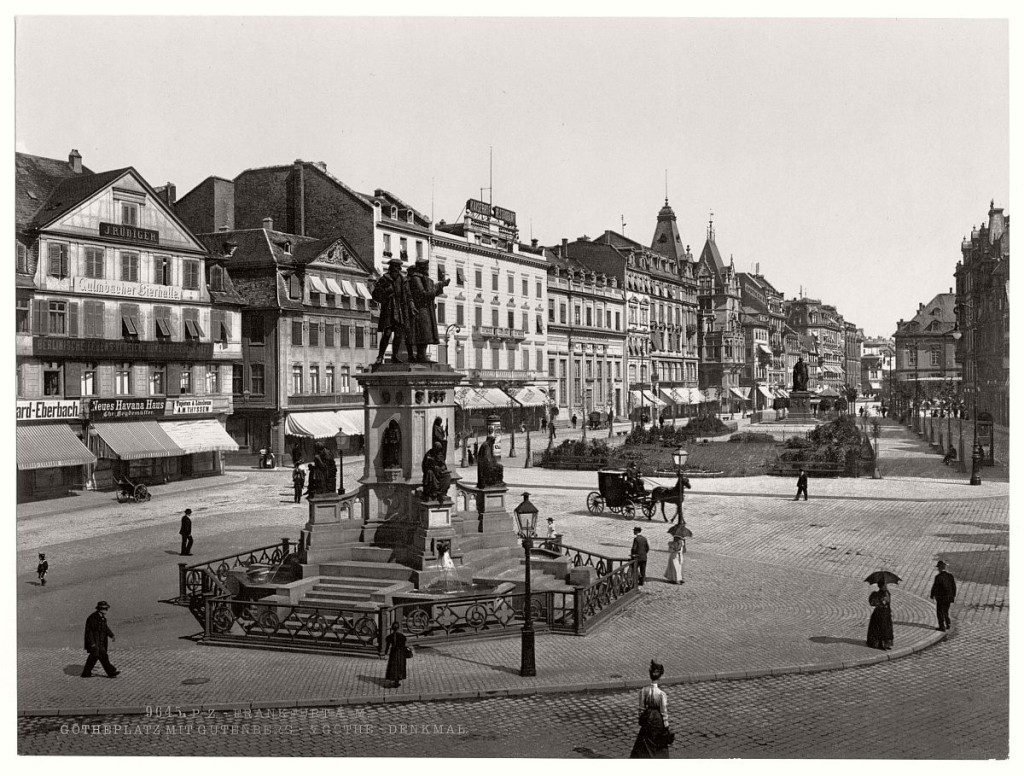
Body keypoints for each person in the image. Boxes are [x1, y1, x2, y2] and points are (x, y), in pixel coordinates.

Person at [371, 258, 414, 364]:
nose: (397, 270)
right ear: (391, 268)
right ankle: (380, 356)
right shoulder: (384, 279)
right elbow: (375, 294)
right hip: (389, 310)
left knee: (399, 334)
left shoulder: (403, 280)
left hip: (400, 310)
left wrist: (411, 306)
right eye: (395, 268)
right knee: (387, 333)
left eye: (398, 268)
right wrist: (387, 292)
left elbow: (408, 295)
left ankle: (394, 356)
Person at [407, 258, 450, 362]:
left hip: (426, 308)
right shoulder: (416, 278)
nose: (427, 269)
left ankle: (422, 355)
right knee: (423, 332)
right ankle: (421, 356)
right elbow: (424, 294)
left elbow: (430, 289)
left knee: (426, 332)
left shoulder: (424, 278)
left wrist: (441, 285)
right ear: (422, 268)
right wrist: (436, 289)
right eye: (426, 268)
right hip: (421, 309)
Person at [629, 660, 671, 758]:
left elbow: (641, 708)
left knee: (644, 743)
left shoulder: (644, 691)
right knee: (658, 744)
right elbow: (664, 712)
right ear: (660, 676)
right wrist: (666, 726)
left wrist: (642, 719)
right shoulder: (661, 694)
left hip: (648, 718)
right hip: (658, 721)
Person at [82, 601, 118, 678]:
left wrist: (111, 635)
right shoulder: (93, 618)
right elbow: (90, 632)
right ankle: (111, 672)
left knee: (96, 657)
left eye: (106, 609)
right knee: (101, 656)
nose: (106, 610)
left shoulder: (102, 618)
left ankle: (86, 673)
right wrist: (92, 643)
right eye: (104, 609)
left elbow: (105, 628)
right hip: (95, 642)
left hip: (100, 642)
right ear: (100, 609)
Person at [866, 580, 894, 650]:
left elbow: (888, 603)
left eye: (886, 585)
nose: (886, 586)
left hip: (886, 614)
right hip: (879, 615)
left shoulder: (887, 593)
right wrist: (881, 602)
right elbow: (874, 603)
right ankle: (879, 644)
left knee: (887, 629)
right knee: (880, 629)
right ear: (881, 586)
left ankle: (887, 644)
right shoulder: (877, 594)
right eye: (884, 585)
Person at [930, 560, 957, 632]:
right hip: (948, 598)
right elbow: (953, 587)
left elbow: (935, 587)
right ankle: (948, 624)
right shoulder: (950, 576)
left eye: (938, 568)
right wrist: (953, 595)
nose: (938, 569)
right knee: (946, 611)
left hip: (941, 598)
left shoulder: (938, 577)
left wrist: (932, 595)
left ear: (940, 568)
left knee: (939, 612)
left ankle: (942, 627)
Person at [383, 622, 408, 688]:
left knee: (393, 666)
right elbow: (404, 645)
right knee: (399, 666)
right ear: (398, 628)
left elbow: (387, 647)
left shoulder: (389, 637)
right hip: (400, 653)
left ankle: (392, 678)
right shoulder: (402, 636)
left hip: (393, 653)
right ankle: (397, 681)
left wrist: (385, 653)